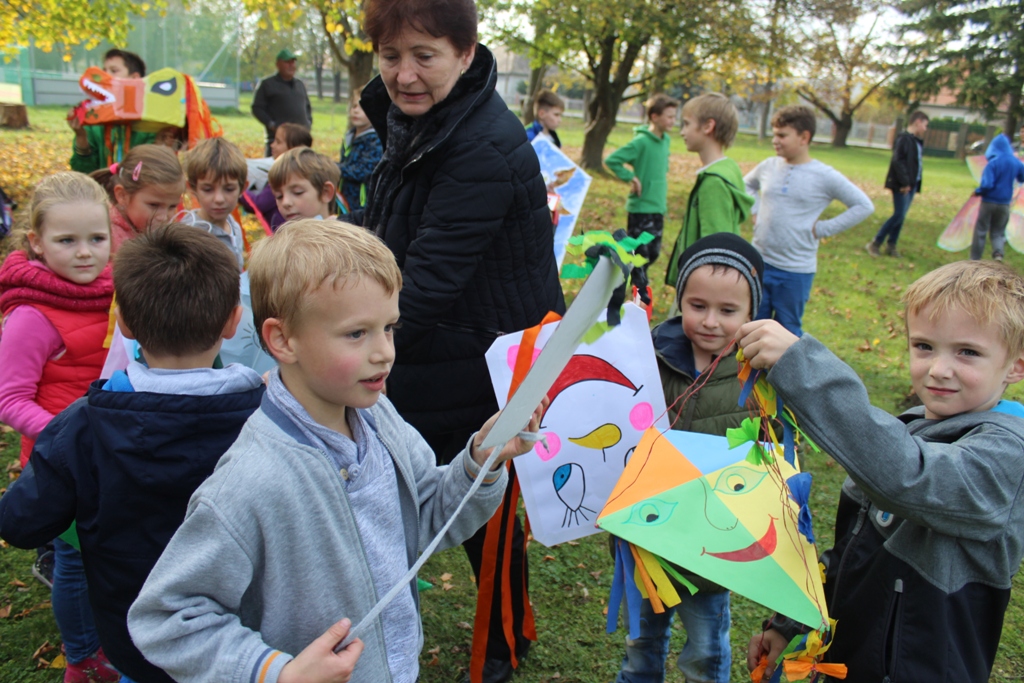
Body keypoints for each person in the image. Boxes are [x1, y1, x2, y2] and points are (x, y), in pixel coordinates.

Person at [126, 219, 546, 683]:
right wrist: (275, 673)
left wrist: (481, 461)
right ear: (283, 340)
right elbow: (167, 618)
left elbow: (427, 516)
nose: (384, 352)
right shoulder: (250, 481)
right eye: (356, 334)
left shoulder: (376, 416)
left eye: (388, 328)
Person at [357, 1, 566, 680]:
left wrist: (352, 341)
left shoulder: (480, 146)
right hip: (439, 352)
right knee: (443, 503)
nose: (404, 74)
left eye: (425, 56)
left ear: (466, 54)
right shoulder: (420, 121)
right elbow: (393, 227)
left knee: (485, 509)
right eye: (391, 57)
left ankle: (502, 642)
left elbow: (426, 284)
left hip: (479, 361)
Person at [0, 224, 264, 683]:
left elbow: (22, 522)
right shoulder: (271, 418)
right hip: (244, 641)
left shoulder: (81, 427)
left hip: (137, 641)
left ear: (122, 322)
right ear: (233, 320)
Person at [740, 260, 1024, 682]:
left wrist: (804, 369)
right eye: (924, 346)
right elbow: (851, 551)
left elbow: (908, 478)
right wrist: (793, 624)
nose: (939, 369)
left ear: (1016, 366)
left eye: (968, 352)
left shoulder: (1005, 456)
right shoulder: (908, 429)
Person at [615, 233, 764, 683]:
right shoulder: (648, 355)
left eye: (728, 310)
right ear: (679, 299)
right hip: (647, 538)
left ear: (751, 313)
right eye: (697, 305)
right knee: (641, 643)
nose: (711, 322)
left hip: (712, 548)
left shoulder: (759, 374)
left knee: (704, 651)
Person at [0, 172, 119, 683]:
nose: (85, 253)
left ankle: (114, 640)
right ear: (36, 243)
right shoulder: (32, 314)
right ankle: (83, 657)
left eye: (96, 238)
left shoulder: (112, 292)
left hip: (113, 451)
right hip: (65, 461)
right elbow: (9, 399)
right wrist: (66, 436)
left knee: (107, 552)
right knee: (73, 561)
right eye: (66, 241)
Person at [744, 105, 873, 337]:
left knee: (787, 332)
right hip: (759, 263)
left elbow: (863, 205)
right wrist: (755, 210)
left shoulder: (824, 175)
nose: (775, 140)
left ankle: (780, 374)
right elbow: (746, 185)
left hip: (795, 271)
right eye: (774, 134)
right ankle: (747, 374)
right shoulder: (768, 166)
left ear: (804, 137)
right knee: (752, 325)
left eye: (782, 135)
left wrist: (822, 228)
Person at [665, 92, 755, 288]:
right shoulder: (728, 169)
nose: (682, 132)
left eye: (687, 124)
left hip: (704, 286)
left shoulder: (713, 182)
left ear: (708, 126)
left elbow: (715, 248)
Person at [605, 93, 679, 271]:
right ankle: (630, 284)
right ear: (654, 117)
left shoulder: (665, 140)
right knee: (640, 255)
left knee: (653, 252)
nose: (673, 121)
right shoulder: (641, 142)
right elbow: (612, 160)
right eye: (669, 117)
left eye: (674, 117)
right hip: (641, 208)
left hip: (658, 206)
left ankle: (632, 278)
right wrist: (631, 178)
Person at [68, 49, 156, 175]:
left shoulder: (151, 121)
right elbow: (82, 171)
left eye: (113, 71)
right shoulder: (94, 121)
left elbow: (154, 172)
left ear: (135, 78)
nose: (105, 77)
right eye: (104, 71)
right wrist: (81, 137)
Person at [89, 145, 185, 252]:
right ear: (122, 196)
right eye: (154, 205)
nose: (163, 217)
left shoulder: (149, 229)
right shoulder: (107, 236)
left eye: (172, 207)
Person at [178, 137, 248, 270]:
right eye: (208, 189)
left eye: (229, 189)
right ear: (192, 188)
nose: (219, 199)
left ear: (242, 188)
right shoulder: (189, 235)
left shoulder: (232, 224)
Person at [867, 111, 929, 258]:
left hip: (912, 185)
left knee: (901, 216)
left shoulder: (916, 141)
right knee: (898, 214)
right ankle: (876, 242)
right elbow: (898, 161)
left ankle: (891, 245)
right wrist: (905, 182)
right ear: (918, 122)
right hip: (902, 185)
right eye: (925, 125)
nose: (926, 129)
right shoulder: (904, 139)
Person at [244, 123, 313, 232]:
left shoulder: (284, 178)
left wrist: (240, 190)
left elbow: (259, 204)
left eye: (278, 142)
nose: (272, 145)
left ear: (294, 148)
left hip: (285, 236)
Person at [970, 133, 1024, 261]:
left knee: (981, 230)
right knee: (998, 231)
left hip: (988, 202)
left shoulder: (992, 164)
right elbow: (1022, 176)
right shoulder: (1015, 162)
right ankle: (998, 253)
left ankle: (975, 259)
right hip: (1004, 204)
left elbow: (988, 184)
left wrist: (978, 191)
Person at [251, 49, 313, 157]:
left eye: (293, 62)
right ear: (278, 64)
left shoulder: (299, 85)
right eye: (287, 62)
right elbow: (257, 108)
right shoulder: (267, 84)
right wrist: (271, 124)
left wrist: (308, 123)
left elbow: (307, 107)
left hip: (299, 141)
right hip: (278, 142)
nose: (291, 65)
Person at [269, 147, 340, 223]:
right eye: (279, 196)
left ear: (326, 192)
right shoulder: (284, 233)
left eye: (297, 192)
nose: (285, 202)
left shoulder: (345, 233)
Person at [339, 88, 383, 212]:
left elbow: (363, 170)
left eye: (362, 107)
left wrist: (335, 168)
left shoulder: (376, 140)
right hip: (346, 197)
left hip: (363, 203)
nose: (355, 111)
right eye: (354, 106)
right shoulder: (350, 135)